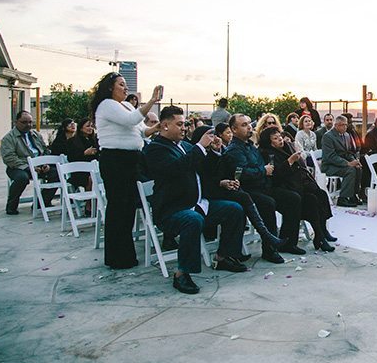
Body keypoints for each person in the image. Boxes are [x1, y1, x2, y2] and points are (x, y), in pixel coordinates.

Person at [144, 106, 249, 295]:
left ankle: (223, 256)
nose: (184, 128)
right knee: (192, 220)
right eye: (179, 124)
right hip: (172, 210)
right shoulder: (155, 149)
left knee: (234, 209)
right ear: (165, 125)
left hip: (198, 204)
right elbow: (176, 168)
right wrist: (200, 147)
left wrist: (215, 152)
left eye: (185, 124)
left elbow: (206, 170)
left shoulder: (185, 146)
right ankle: (182, 273)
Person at [91, 72, 162, 269]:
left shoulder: (128, 105)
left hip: (132, 160)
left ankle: (127, 255)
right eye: (121, 84)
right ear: (110, 88)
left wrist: (158, 127)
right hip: (115, 160)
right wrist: (152, 101)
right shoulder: (107, 105)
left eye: (125, 84)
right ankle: (116, 257)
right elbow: (131, 120)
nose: (125, 88)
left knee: (129, 207)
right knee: (118, 208)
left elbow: (142, 130)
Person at [193, 124, 286, 259]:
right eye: (209, 135)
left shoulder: (218, 152)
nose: (213, 138)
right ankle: (266, 238)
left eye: (213, 135)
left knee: (247, 201)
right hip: (209, 194)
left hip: (229, 187)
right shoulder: (199, 154)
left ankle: (238, 250)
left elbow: (220, 172)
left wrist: (226, 180)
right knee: (248, 201)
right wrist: (222, 182)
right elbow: (206, 179)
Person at [219, 113, 305, 259]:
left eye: (249, 124)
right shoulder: (235, 149)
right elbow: (242, 173)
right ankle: (269, 249)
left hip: (262, 185)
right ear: (234, 129)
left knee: (293, 198)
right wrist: (263, 170)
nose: (249, 127)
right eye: (244, 125)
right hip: (248, 189)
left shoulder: (251, 146)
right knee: (268, 203)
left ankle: (288, 242)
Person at [258, 127, 336, 252]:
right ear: (269, 141)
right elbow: (275, 175)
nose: (280, 140)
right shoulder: (266, 153)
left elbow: (301, 165)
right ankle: (316, 237)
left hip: (295, 183)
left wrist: (296, 156)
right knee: (306, 199)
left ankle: (320, 234)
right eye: (275, 138)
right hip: (280, 186)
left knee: (318, 195)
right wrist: (289, 161)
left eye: (279, 137)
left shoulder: (287, 146)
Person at [0, 111, 58, 215]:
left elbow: (45, 150)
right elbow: (9, 158)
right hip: (19, 167)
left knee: (57, 174)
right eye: (24, 122)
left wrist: (45, 163)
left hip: (39, 165)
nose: (28, 125)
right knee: (22, 178)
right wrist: (29, 167)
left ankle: (41, 203)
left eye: (30, 122)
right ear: (16, 122)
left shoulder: (35, 135)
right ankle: (11, 206)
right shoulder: (9, 138)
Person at [321, 115, 363, 207]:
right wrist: (347, 163)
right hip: (329, 165)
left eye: (346, 125)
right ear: (336, 125)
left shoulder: (346, 135)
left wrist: (354, 161)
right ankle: (343, 198)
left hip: (341, 163)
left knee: (358, 168)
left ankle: (353, 195)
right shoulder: (328, 136)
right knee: (350, 170)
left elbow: (348, 153)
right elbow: (330, 156)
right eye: (343, 125)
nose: (345, 127)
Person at [66, 117, 99, 194]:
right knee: (91, 178)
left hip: (94, 168)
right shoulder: (73, 141)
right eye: (88, 126)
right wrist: (84, 153)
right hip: (80, 171)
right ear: (81, 128)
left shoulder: (95, 140)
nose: (90, 128)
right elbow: (71, 158)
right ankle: (89, 203)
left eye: (91, 126)